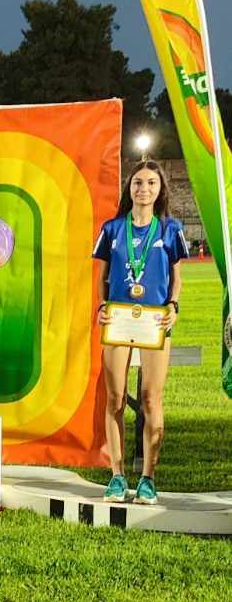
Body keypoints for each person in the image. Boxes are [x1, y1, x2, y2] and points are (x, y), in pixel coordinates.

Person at [93, 157, 188, 504]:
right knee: (115, 398)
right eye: (137, 182)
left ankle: (148, 478)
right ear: (129, 188)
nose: (143, 189)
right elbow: (102, 276)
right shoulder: (112, 229)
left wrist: (173, 307)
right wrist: (102, 306)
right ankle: (117, 476)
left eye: (151, 183)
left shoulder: (170, 229)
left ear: (160, 190)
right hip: (119, 320)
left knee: (150, 398)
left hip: (154, 322)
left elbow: (176, 278)